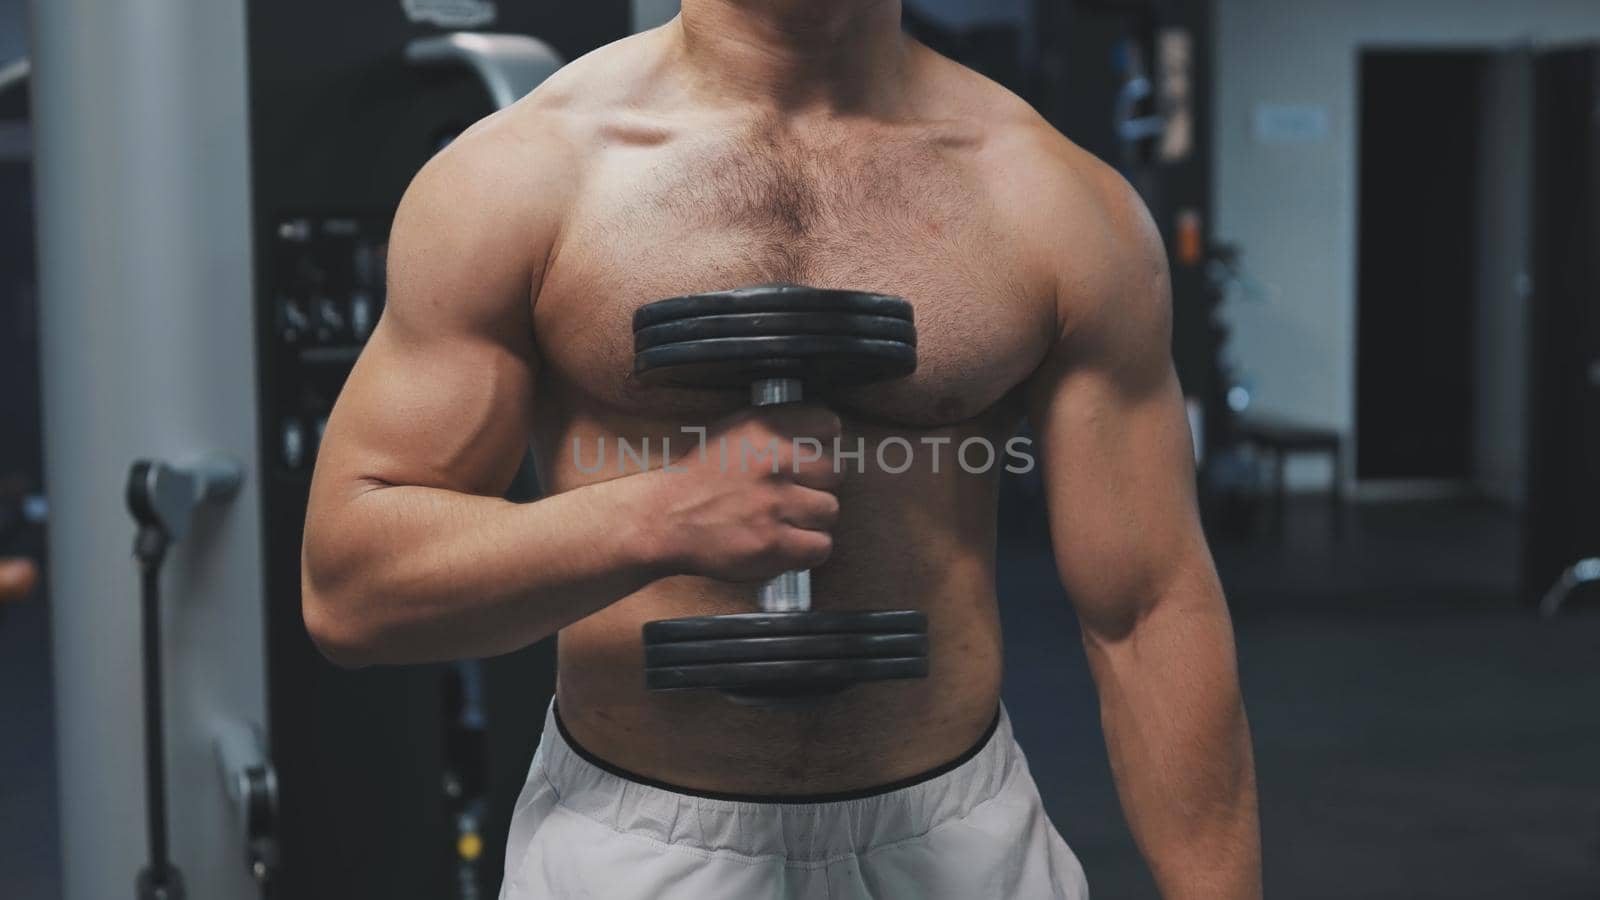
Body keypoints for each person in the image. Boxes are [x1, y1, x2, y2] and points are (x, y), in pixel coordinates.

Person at [301, 1, 1261, 897]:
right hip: (635, 842)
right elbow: (352, 590)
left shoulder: (1053, 196)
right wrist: (655, 518)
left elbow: (1149, 608)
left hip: (958, 839)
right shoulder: (523, 176)